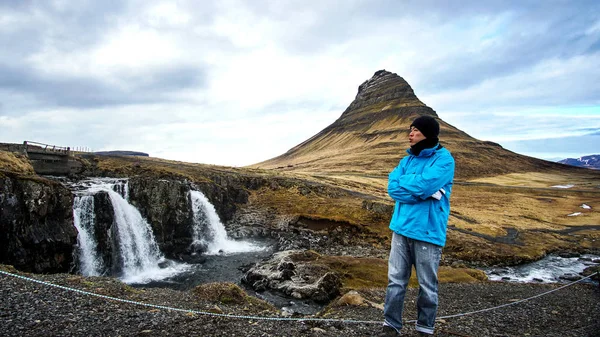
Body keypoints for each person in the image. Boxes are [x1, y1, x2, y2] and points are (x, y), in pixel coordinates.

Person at [379, 115, 455, 336]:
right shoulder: (406, 160)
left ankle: (424, 328)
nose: (410, 134)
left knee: (427, 286)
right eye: (410, 129)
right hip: (401, 229)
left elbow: (423, 186)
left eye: (415, 130)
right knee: (395, 281)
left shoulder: (444, 160)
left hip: (428, 232)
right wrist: (419, 192)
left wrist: (414, 189)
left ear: (428, 134)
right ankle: (391, 326)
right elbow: (392, 187)